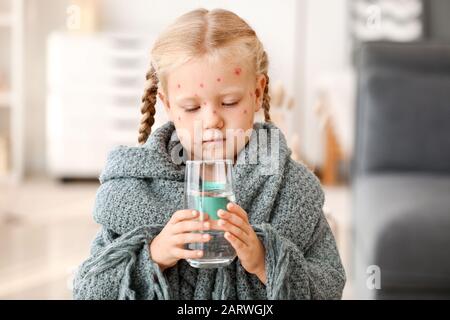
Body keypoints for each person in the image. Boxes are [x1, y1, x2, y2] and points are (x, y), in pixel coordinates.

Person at [73, 8, 346, 300]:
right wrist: (153, 255)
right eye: (191, 108)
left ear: (257, 92)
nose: (212, 121)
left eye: (229, 102)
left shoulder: (292, 190)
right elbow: (89, 290)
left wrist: (267, 262)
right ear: (167, 105)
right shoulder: (133, 192)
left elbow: (329, 285)